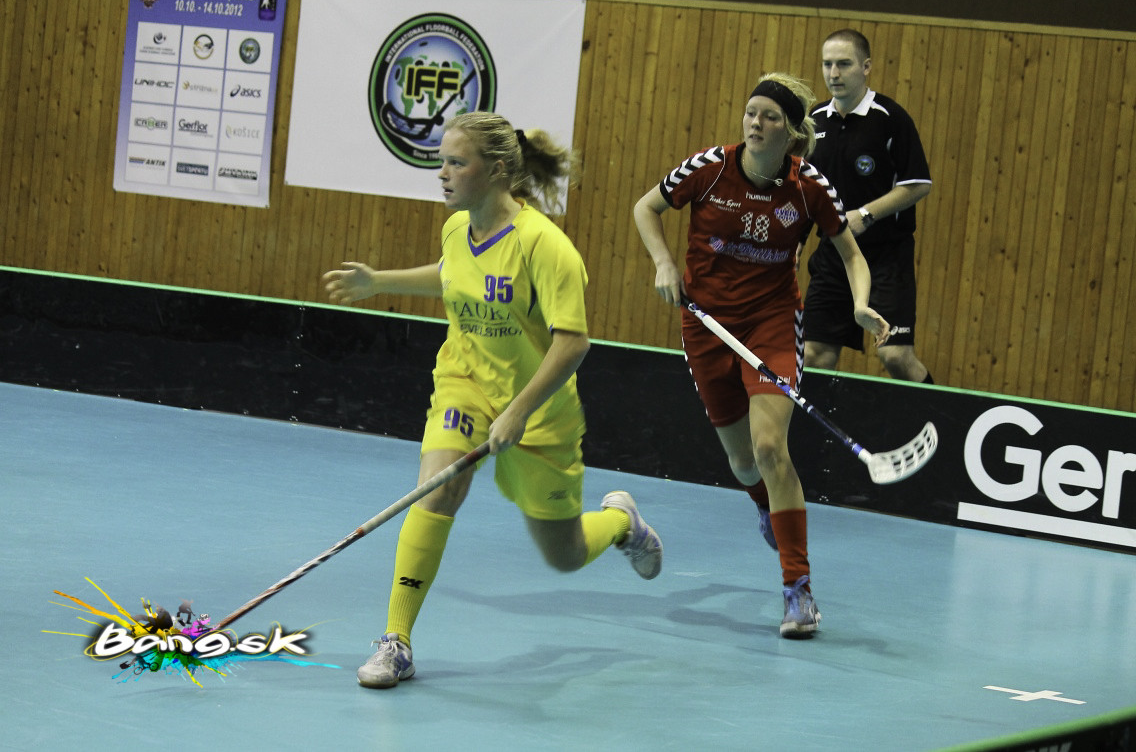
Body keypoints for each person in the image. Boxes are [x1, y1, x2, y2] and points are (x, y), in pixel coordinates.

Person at [323, 111, 662, 689]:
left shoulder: (545, 247)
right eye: (442, 162)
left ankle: (620, 522)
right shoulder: (457, 229)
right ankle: (396, 640)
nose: (443, 174)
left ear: (498, 170)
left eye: (457, 163)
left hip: (537, 410)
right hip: (466, 381)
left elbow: (574, 342)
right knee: (439, 486)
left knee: (564, 553)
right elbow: (452, 275)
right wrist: (378, 281)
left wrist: (519, 411)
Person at [632, 73, 889, 638]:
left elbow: (851, 254)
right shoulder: (710, 167)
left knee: (770, 447)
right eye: (751, 112)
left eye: (769, 116)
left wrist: (861, 305)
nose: (755, 123)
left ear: (790, 132)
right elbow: (646, 208)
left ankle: (798, 590)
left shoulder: (809, 186)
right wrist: (664, 263)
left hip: (770, 323)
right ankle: (766, 506)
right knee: (743, 463)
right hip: (706, 325)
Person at [803, 28, 934, 383]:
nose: (833, 73)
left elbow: (918, 184)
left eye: (844, 64)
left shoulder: (890, 119)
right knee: (814, 354)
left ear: (866, 67)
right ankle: (820, 422)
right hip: (834, 254)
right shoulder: (814, 120)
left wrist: (866, 215)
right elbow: (804, 186)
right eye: (827, 64)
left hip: (886, 255)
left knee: (896, 356)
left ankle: (938, 417)